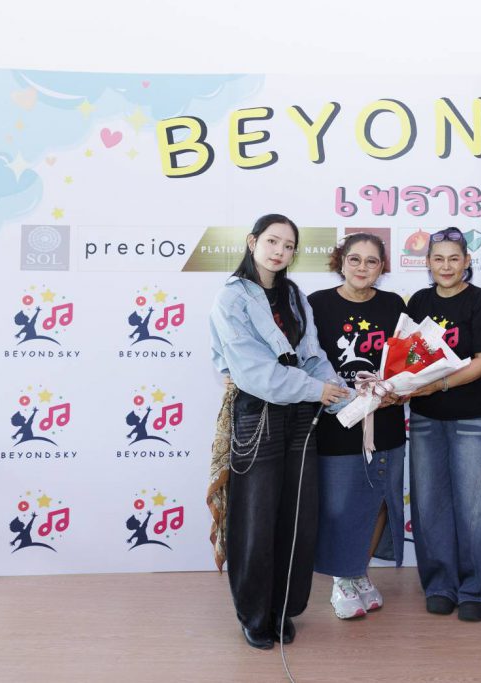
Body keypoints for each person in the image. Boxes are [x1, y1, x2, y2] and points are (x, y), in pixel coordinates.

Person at [209, 213, 351, 650]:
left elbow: (313, 356)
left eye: (288, 246)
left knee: (297, 517)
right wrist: (316, 390)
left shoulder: (294, 296)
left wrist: (342, 394)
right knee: (255, 518)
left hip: (301, 417)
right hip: (259, 416)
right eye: (272, 241)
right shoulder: (231, 297)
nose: (280, 252)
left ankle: (282, 609)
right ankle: (254, 614)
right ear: (252, 242)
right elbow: (253, 372)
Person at [405, 227, 481, 622]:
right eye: (438, 259)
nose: (446, 266)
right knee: (429, 505)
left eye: (453, 259)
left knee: (478, 508)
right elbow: (408, 357)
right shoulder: (419, 302)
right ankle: (440, 585)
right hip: (426, 419)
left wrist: (439, 384)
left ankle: (478, 589)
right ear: (428, 263)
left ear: (467, 262)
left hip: (474, 418)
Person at [308, 233, 408, 620]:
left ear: (382, 267)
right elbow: (306, 360)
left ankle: (358, 572)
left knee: (379, 498)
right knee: (339, 504)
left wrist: (400, 390)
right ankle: (341, 578)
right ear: (340, 261)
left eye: (371, 261)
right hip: (337, 419)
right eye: (355, 259)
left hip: (385, 417)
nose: (362, 267)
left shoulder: (393, 304)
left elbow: (406, 360)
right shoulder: (317, 304)